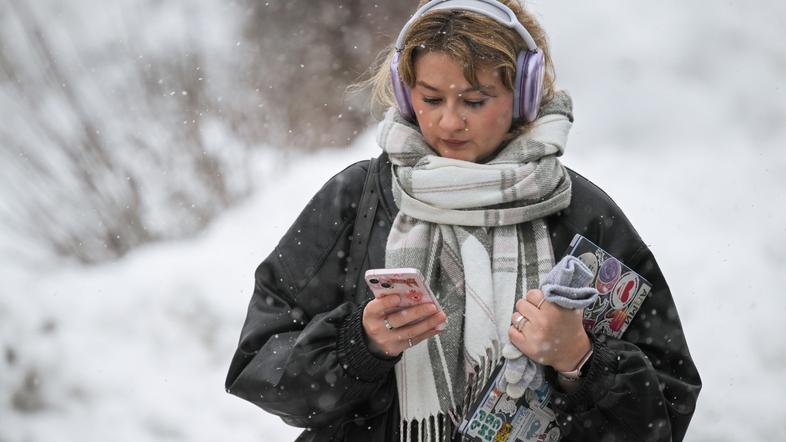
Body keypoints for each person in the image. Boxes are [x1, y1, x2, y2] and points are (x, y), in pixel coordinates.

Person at [225, 0, 702, 440]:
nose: (450, 123)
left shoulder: (582, 214)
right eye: (431, 99)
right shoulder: (357, 201)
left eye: (474, 101)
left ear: (524, 96)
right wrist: (358, 346)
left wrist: (580, 360)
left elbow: (665, 413)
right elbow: (259, 365)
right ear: (405, 93)